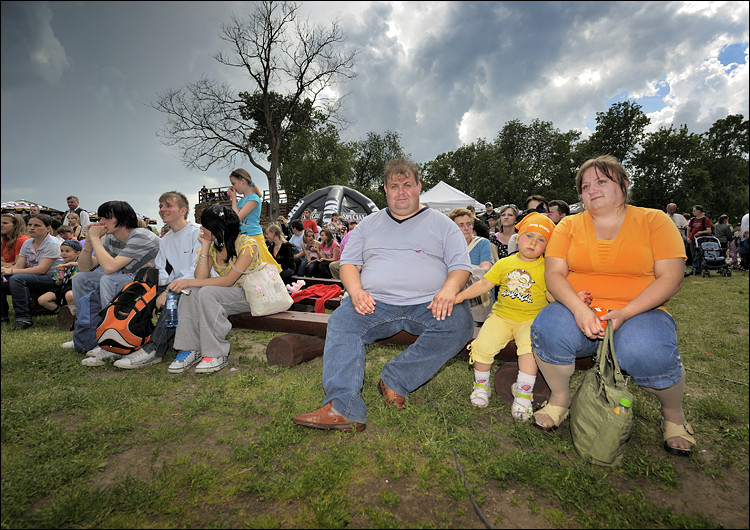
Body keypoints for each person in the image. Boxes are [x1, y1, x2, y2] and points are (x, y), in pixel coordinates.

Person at [293, 158, 474, 432]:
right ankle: (343, 407)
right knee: (342, 322)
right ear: (386, 191)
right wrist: (355, 292)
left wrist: (449, 291)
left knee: (459, 323)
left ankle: (395, 378)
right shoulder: (368, 225)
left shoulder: (443, 224)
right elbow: (349, 264)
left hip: (428, 303)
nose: (401, 191)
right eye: (394, 186)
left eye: (407, 185)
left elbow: (460, 266)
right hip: (376, 303)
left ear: (418, 187)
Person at [530, 155, 695, 456]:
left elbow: (671, 277)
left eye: (602, 181)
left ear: (624, 184)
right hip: (578, 308)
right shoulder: (568, 225)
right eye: (585, 186)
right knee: (549, 326)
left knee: (647, 350)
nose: (592, 190)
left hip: (641, 311)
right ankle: (560, 399)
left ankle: (673, 415)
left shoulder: (654, 220)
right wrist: (579, 310)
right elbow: (553, 275)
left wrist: (626, 313)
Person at [455, 213, 566, 419]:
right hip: (501, 316)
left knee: (528, 351)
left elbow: (553, 294)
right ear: (518, 237)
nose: (533, 243)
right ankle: (481, 386)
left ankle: (523, 394)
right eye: (529, 236)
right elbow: (484, 284)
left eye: (541, 239)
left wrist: (572, 299)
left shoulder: (547, 269)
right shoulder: (505, 263)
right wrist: (459, 296)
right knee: (483, 345)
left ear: (547, 246)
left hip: (531, 320)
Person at [112, 191, 204, 370]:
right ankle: (124, 340)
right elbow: (164, 271)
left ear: (182, 210)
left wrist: (169, 291)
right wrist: (148, 285)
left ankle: (154, 349)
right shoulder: (166, 239)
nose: (162, 210)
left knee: (172, 300)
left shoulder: (196, 233)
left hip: (195, 285)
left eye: (168, 206)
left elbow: (195, 271)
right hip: (176, 284)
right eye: (160, 206)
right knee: (131, 291)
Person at [166, 204, 262, 374]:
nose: (201, 228)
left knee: (205, 291)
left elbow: (228, 280)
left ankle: (215, 353)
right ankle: (189, 348)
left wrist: (187, 282)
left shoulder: (248, 244)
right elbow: (201, 278)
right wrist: (204, 246)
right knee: (192, 291)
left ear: (218, 227)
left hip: (252, 294)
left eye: (205, 225)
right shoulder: (213, 246)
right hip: (228, 295)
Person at [66, 201, 161, 363]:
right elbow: (84, 268)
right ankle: (90, 332)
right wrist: (89, 242)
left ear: (123, 219)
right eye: (100, 217)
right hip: (127, 281)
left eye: (106, 218)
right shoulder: (112, 239)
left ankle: (113, 336)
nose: (101, 222)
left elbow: (110, 268)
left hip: (148, 284)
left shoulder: (141, 236)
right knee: (80, 279)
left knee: (108, 280)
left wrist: (96, 238)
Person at [1, 213, 64, 329]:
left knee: (17, 279)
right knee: (3, 279)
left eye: (36, 225)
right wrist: (5, 270)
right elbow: (19, 265)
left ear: (48, 228)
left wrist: (11, 271)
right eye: (29, 225)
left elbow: (42, 269)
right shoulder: (28, 243)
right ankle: (3, 316)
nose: (31, 228)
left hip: (53, 279)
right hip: (34, 276)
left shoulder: (53, 243)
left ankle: (23, 318)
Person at [227, 168, 281, 272]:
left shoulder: (254, 198)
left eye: (234, 183)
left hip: (254, 236)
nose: (233, 187)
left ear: (242, 180)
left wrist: (233, 199)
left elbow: (236, 218)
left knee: (264, 267)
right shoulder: (241, 201)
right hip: (243, 237)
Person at [36, 240, 81, 314]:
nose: (63, 253)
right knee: (42, 300)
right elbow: (57, 284)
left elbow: (83, 265)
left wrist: (69, 264)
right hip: (62, 287)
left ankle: (73, 316)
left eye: (67, 251)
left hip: (74, 287)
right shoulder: (61, 267)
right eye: (62, 251)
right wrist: (59, 279)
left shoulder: (80, 264)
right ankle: (61, 312)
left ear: (77, 253)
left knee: (70, 295)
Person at [448, 208, 492, 272]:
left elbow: (485, 268)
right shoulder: (447, 246)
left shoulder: (482, 243)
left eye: (469, 224)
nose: (466, 228)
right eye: (461, 225)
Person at [686, 205, 713, 276]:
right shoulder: (692, 220)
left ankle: (695, 268)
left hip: (701, 240)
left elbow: (709, 230)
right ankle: (697, 268)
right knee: (693, 255)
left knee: (699, 254)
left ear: (699, 211)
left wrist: (701, 232)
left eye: (694, 211)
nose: (693, 212)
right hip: (692, 239)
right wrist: (688, 237)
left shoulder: (705, 220)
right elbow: (689, 229)